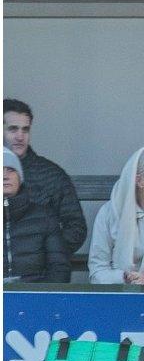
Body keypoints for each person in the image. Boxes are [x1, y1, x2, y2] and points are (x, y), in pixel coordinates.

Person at [1, 100, 87, 269]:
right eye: (13, 129)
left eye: (25, 129)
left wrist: (48, 254)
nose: (20, 136)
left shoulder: (51, 175)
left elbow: (76, 227)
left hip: (39, 275)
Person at [88, 146, 144, 285]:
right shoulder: (109, 213)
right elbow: (97, 270)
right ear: (139, 181)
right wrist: (125, 278)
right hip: (120, 296)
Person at [4, 147, 69, 282]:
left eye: (11, 170)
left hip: (36, 300)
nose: (5, 176)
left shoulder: (45, 217)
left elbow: (59, 268)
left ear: (20, 177)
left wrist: (43, 299)